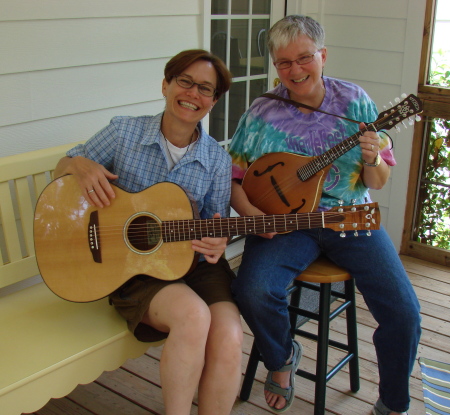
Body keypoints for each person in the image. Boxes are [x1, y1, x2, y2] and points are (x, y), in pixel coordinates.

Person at [228, 15, 421, 415]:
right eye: (284, 62)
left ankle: (392, 404)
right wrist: (252, 216)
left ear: (323, 55)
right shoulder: (263, 111)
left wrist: (372, 158)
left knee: (404, 310)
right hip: (286, 224)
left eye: (304, 58)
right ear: (275, 65)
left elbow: (378, 180)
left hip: (350, 218)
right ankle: (281, 360)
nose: (295, 70)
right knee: (252, 288)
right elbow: (234, 177)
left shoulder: (355, 102)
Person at [54, 49, 243, 415]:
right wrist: (78, 165)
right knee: (193, 317)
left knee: (230, 335)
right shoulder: (124, 132)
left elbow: (215, 223)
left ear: (214, 101)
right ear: (166, 84)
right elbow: (64, 167)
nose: (192, 94)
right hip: (129, 263)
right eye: (184, 81)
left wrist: (220, 240)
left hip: (192, 259)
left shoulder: (217, 160)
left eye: (205, 88)